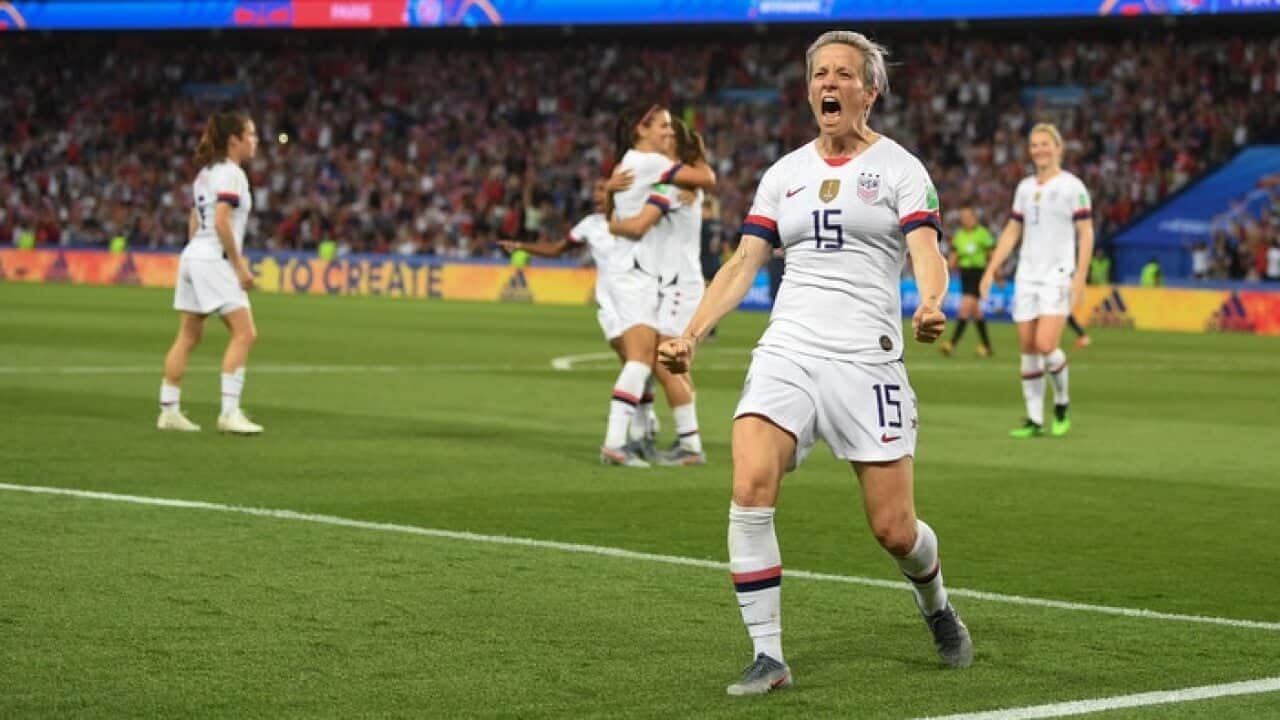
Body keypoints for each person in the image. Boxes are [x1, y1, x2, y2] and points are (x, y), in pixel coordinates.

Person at [658, 30, 972, 696]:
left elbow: (925, 248)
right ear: (809, 91)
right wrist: (693, 332)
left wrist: (931, 302)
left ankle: (935, 602)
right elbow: (744, 261)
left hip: (866, 359)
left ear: (870, 90)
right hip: (789, 351)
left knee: (894, 530)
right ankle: (768, 656)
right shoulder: (785, 174)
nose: (829, 84)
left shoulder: (899, 169)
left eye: (844, 74)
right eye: (819, 74)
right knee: (749, 482)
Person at [598, 104, 715, 467]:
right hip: (654, 278)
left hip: (675, 283)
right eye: (661, 127)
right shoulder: (658, 175)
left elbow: (634, 225)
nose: (666, 133)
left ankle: (674, 442)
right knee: (656, 361)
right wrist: (609, 202)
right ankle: (646, 438)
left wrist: (610, 215)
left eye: (670, 131)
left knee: (661, 363)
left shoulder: (668, 186)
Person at [980, 122, 1094, 438]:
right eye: (1034, 145)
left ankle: (1061, 401)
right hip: (1027, 275)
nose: (1039, 150)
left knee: (1046, 344)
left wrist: (1080, 277)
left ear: (1059, 148)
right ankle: (1034, 420)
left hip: (1057, 275)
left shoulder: (1073, 187)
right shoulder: (1025, 188)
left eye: (1045, 144)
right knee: (1028, 348)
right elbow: (1013, 229)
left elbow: (1086, 233)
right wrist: (992, 268)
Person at [157, 111, 263, 435]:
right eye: (251, 134)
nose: (255, 141)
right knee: (245, 333)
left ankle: (169, 410)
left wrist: (196, 257)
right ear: (234, 140)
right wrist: (239, 266)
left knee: (188, 335)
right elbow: (220, 221)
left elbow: (195, 217)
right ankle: (229, 413)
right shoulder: (232, 173)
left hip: (194, 254)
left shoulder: (204, 174)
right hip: (214, 257)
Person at [939, 206, 994, 357]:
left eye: (967, 216)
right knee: (976, 312)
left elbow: (991, 255)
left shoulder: (983, 234)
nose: (964, 219)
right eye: (962, 217)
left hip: (978, 274)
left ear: (974, 217)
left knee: (965, 308)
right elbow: (954, 256)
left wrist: (997, 275)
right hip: (965, 274)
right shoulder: (959, 235)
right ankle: (987, 346)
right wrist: (946, 272)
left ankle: (952, 343)